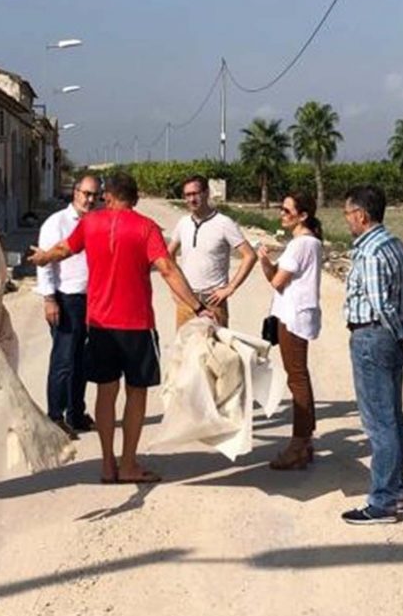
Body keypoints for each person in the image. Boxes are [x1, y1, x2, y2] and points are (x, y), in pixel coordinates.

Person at [28, 172, 209, 484]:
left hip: (99, 325)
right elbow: (167, 268)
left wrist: (43, 257)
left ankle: (108, 464)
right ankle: (128, 464)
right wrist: (197, 306)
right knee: (136, 394)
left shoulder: (89, 224)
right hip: (137, 325)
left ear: (108, 197)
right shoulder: (146, 228)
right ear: (135, 200)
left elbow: (62, 249)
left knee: (105, 393)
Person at [341, 185, 403, 525]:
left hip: (373, 337)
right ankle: (398, 489)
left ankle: (383, 501)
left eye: (348, 213)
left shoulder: (371, 254)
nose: (346, 220)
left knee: (379, 422)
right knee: (394, 416)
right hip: (392, 339)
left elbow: (382, 304)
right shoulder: (396, 246)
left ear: (361, 215)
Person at [257, 192, 324, 470]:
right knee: (300, 376)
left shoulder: (299, 245)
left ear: (302, 215)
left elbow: (277, 281)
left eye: (286, 210)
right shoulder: (313, 243)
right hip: (301, 315)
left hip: (292, 317)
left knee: (296, 379)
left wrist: (264, 260)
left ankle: (298, 443)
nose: (282, 214)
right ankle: (305, 441)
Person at [36, 174, 100, 436]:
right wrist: (49, 299)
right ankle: (55, 416)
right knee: (63, 360)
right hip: (66, 298)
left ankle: (76, 413)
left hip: (92, 299)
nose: (90, 199)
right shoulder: (57, 223)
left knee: (82, 360)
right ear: (75, 193)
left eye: (95, 195)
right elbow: (45, 262)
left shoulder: (96, 222)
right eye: (86, 193)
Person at [169, 175, 257, 328]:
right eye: (187, 195)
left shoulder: (223, 223)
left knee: (214, 351)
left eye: (195, 193)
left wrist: (230, 288)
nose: (192, 199)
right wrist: (174, 289)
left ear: (206, 193)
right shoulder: (183, 223)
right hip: (186, 301)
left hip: (213, 302)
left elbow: (250, 255)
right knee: (185, 350)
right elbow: (168, 255)